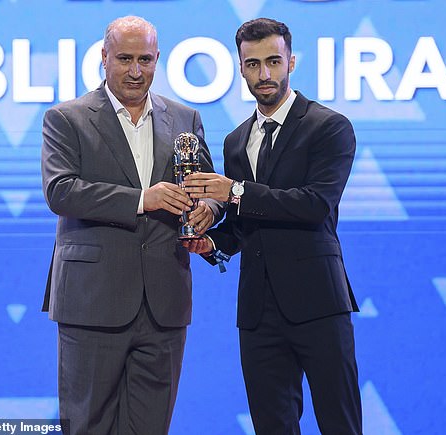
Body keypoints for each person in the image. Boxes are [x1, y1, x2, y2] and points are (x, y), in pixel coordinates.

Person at [41, 16, 224, 435]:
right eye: (125, 59)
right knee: (88, 426)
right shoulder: (66, 118)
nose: (136, 71)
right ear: (104, 57)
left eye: (145, 59)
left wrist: (209, 211)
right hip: (92, 301)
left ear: (158, 59)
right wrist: (143, 199)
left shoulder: (185, 118)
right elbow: (61, 191)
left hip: (164, 302)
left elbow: (209, 187)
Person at [183, 18, 362, 435]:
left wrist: (235, 191)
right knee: (271, 426)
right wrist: (211, 243)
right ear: (241, 68)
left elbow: (315, 205)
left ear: (291, 62)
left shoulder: (329, 126)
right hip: (258, 311)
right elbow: (244, 223)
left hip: (318, 303)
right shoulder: (235, 141)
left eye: (273, 62)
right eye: (253, 64)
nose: (264, 73)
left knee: (340, 423)